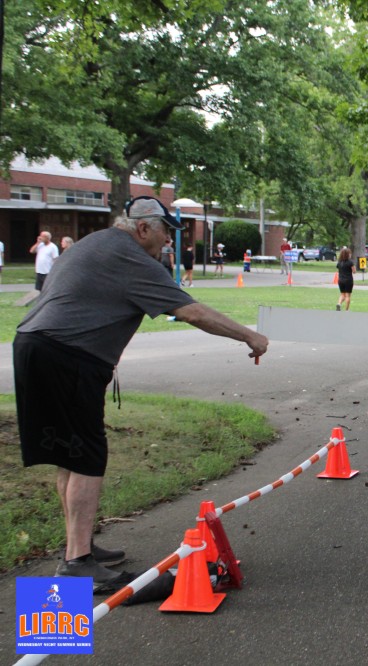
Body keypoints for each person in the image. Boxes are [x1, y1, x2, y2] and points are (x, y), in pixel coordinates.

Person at [13, 195, 268, 593]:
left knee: (69, 454)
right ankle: (77, 564)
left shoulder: (94, 243)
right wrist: (249, 335)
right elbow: (191, 312)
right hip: (67, 356)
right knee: (87, 455)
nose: (169, 241)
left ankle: (78, 548)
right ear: (144, 228)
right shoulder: (131, 257)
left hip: (35, 345)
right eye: (166, 232)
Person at [336, 247, 355, 311]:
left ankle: (339, 304)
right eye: (349, 253)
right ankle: (347, 309)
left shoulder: (339, 262)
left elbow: (338, 270)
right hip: (348, 280)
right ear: (348, 254)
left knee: (342, 294)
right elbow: (354, 271)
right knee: (347, 295)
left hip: (340, 280)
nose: (350, 254)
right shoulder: (350, 262)